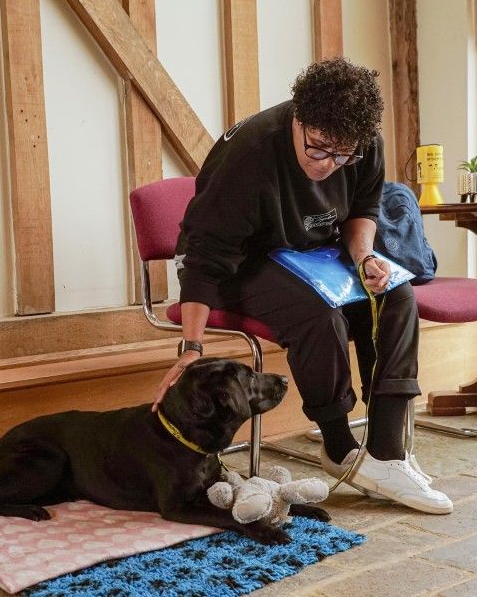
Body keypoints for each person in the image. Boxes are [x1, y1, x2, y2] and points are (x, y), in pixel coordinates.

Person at [153, 58, 452, 515]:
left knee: (395, 294)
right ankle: (337, 445)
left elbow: (362, 211)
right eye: (318, 149)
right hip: (242, 265)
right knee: (318, 314)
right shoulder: (250, 153)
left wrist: (365, 257)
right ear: (299, 119)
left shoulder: (363, 142)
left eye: (344, 155)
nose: (330, 165)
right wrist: (191, 347)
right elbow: (203, 258)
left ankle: (387, 452)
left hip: (313, 256)